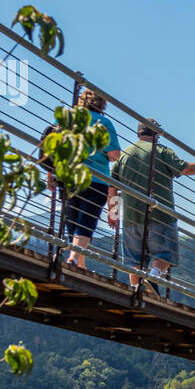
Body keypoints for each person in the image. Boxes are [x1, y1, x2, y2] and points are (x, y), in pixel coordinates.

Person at [109, 117, 195, 289]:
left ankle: (135, 289)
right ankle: (154, 277)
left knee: (134, 257)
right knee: (165, 253)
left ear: (138, 133)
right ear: (157, 134)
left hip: (131, 215)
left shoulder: (124, 155)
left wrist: (113, 213)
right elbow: (184, 168)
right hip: (160, 213)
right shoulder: (162, 151)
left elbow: (113, 187)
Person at [62, 88, 121, 268]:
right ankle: (73, 258)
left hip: (70, 175)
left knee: (71, 219)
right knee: (86, 220)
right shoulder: (104, 122)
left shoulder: (68, 118)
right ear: (102, 104)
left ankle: (80, 263)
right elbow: (115, 155)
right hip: (96, 179)